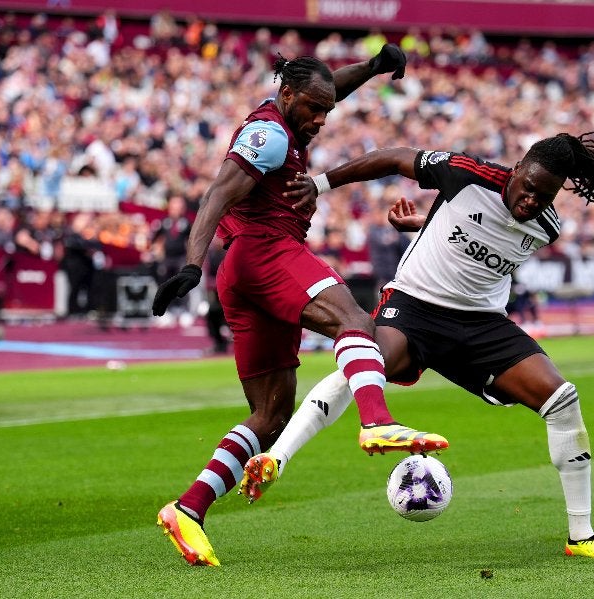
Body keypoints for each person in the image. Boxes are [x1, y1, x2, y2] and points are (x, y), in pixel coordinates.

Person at [241, 132, 594, 560]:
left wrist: (424, 225)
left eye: (544, 196)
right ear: (516, 169)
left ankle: (582, 536)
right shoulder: (466, 174)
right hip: (416, 307)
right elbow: (393, 156)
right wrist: (320, 184)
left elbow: (478, 245)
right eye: (528, 189)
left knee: (562, 400)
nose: (531, 202)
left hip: (481, 324)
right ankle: (276, 459)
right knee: (364, 364)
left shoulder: (546, 228)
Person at [150, 47, 447, 567]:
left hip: (245, 273)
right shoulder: (270, 136)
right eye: (312, 109)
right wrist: (191, 264)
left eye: (325, 111)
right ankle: (376, 420)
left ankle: (188, 509)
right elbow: (215, 196)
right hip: (265, 251)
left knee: (270, 416)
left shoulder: (292, 109)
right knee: (356, 322)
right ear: (286, 96)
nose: (319, 119)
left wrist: (374, 68)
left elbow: (329, 85)